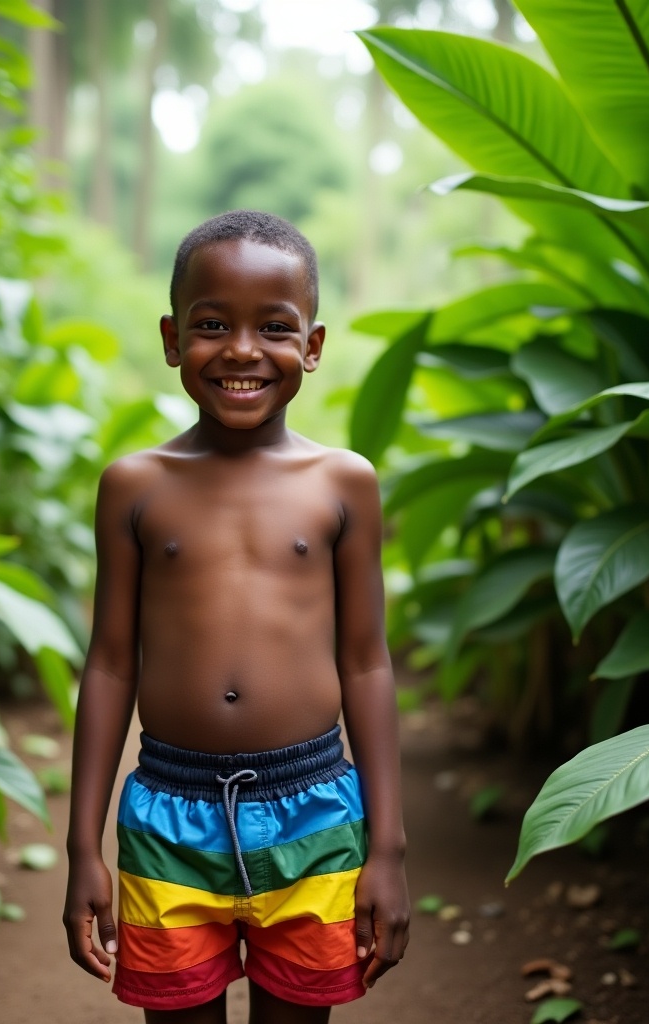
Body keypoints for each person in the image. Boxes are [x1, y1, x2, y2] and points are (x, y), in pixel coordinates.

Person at [63, 210, 410, 1024]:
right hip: (168, 813)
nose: (243, 350)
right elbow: (111, 662)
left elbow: (367, 661)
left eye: (275, 327)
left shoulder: (343, 483)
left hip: (314, 809)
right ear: (172, 337)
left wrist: (386, 847)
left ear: (313, 346)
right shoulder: (135, 484)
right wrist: (84, 847)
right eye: (212, 324)